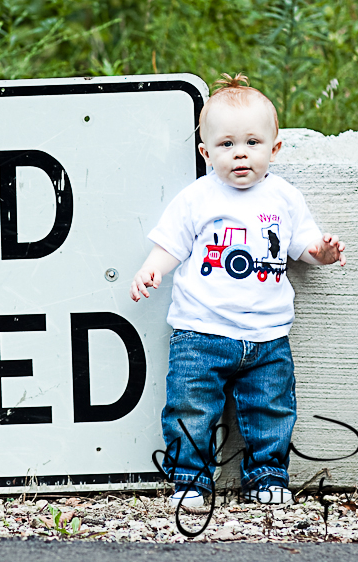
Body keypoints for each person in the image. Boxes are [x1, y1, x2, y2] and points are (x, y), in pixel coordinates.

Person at [130, 73, 346, 508]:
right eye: (226, 145)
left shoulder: (284, 197)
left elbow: (303, 245)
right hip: (200, 333)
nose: (240, 153)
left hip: (267, 337)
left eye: (252, 142)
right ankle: (190, 479)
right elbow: (171, 243)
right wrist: (152, 270)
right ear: (206, 152)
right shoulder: (197, 198)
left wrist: (323, 251)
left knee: (272, 410)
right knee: (190, 407)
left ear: (274, 148)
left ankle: (268, 476)